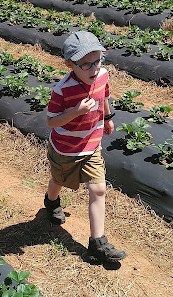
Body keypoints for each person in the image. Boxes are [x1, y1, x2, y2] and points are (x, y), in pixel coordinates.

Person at [44, 31, 126, 264]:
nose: (94, 69)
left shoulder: (102, 76)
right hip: (65, 149)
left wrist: (108, 117)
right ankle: (51, 202)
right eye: (85, 64)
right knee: (58, 181)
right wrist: (76, 111)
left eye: (98, 61)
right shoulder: (62, 89)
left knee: (98, 188)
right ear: (70, 64)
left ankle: (97, 244)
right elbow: (51, 121)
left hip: (92, 144)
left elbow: (104, 96)